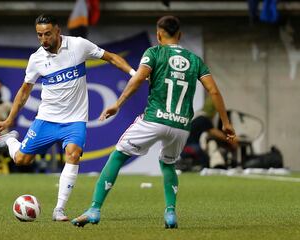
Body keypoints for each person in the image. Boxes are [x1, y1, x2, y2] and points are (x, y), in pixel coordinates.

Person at [71, 15, 236, 229]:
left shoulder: (154, 52)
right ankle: (170, 213)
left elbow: (139, 78)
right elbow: (213, 90)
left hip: (154, 119)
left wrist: (118, 104)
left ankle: (94, 208)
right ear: (180, 35)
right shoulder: (195, 60)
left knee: (118, 155)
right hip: (181, 125)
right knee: (167, 163)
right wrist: (225, 123)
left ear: (158, 35)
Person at [0, 14, 136, 221]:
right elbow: (24, 92)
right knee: (22, 160)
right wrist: (9, 120)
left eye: (47, 34)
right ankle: (11, 140)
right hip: (47, 119)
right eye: (39, 35)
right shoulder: (36, 59)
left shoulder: (78, 45)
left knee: (73, 155)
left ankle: (59, 209)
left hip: (75, 120)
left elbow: (110, 57)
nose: (43, 39)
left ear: (58, 30)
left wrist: (134, 73)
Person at [181, 97, 238, 170]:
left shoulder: (198, 117)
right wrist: (231, 140)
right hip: (190, 147)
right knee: (207, 156)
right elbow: (215, 133)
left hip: (184, 147)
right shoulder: (204, 119)